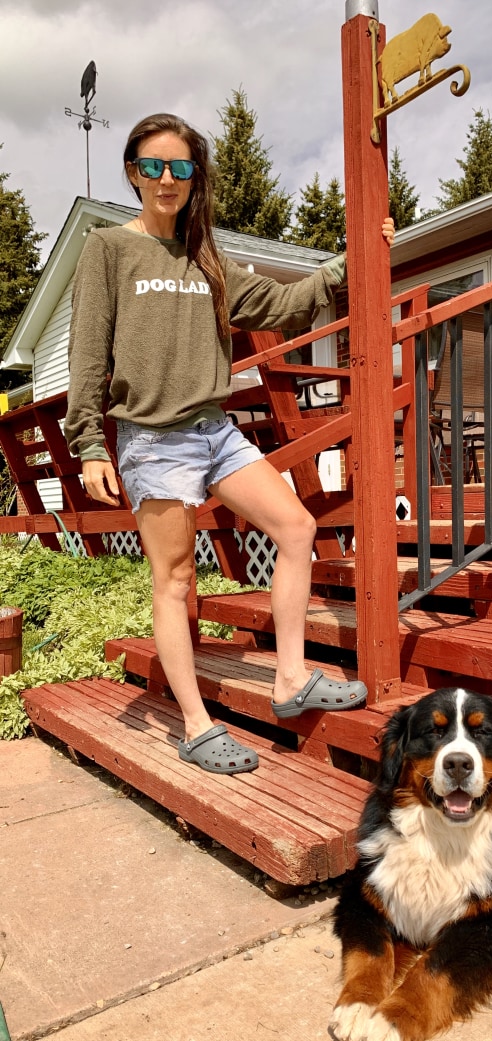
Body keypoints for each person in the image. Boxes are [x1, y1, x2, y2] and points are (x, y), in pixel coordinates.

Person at [64, 112, 395, 775]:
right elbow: (86, 348)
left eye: (180, 168)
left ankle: (290, 679)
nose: (166, 178)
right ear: (133, 171)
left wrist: (352, 261)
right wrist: (88, 444)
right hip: (151, 437)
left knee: (296, 527)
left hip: (215, 429)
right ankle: (194, 725)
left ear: (194, 178)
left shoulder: (205, 255)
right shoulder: (108, 248)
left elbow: (280, 305)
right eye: (153, 165)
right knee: (177, 579)